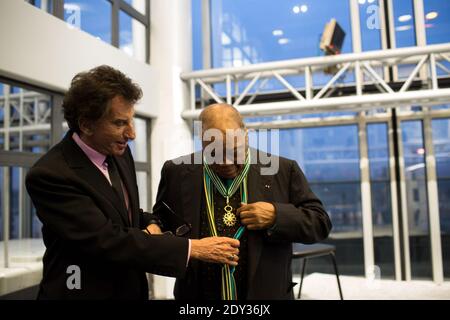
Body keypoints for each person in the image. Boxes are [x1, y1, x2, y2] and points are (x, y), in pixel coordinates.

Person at [25, 66, 239, 300]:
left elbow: (121, 212)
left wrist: (151, 221)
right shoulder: (51, 175)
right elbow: (107, 240)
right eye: (119, 123)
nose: (132, 134)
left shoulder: (118, 152)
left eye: (131, 121)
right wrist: (193, 248)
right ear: (86, 125)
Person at [153, 103, 332, 300]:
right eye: (215, 153)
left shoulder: (282, 170)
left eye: (233, 151)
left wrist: (276, 216)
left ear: (246, 134)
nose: (226, 162)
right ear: (202, 140)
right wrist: (155, 228)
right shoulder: (176, 172)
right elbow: (161, 222)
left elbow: (320, 223)